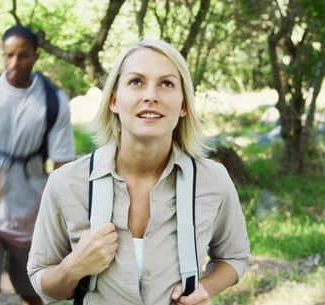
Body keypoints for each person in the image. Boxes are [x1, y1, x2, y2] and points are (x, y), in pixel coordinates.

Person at [27, 39, 250, 305]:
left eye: (166, 83)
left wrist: (203, 289)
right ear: (113, 100)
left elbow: (233, 257)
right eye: (136, 82)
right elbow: (42, 280)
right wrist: (73, 267)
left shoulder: (213, 180)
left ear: (183, 105)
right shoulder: (66, 183)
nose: (151, 96)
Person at [0, 24, 75, 305]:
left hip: (29, 212)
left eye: (22, 56)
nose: (14, 63)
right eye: (8, 55)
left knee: (34, 295)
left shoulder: (53, 101)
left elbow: (62, 165)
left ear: (35, 57)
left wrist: (51, 215)